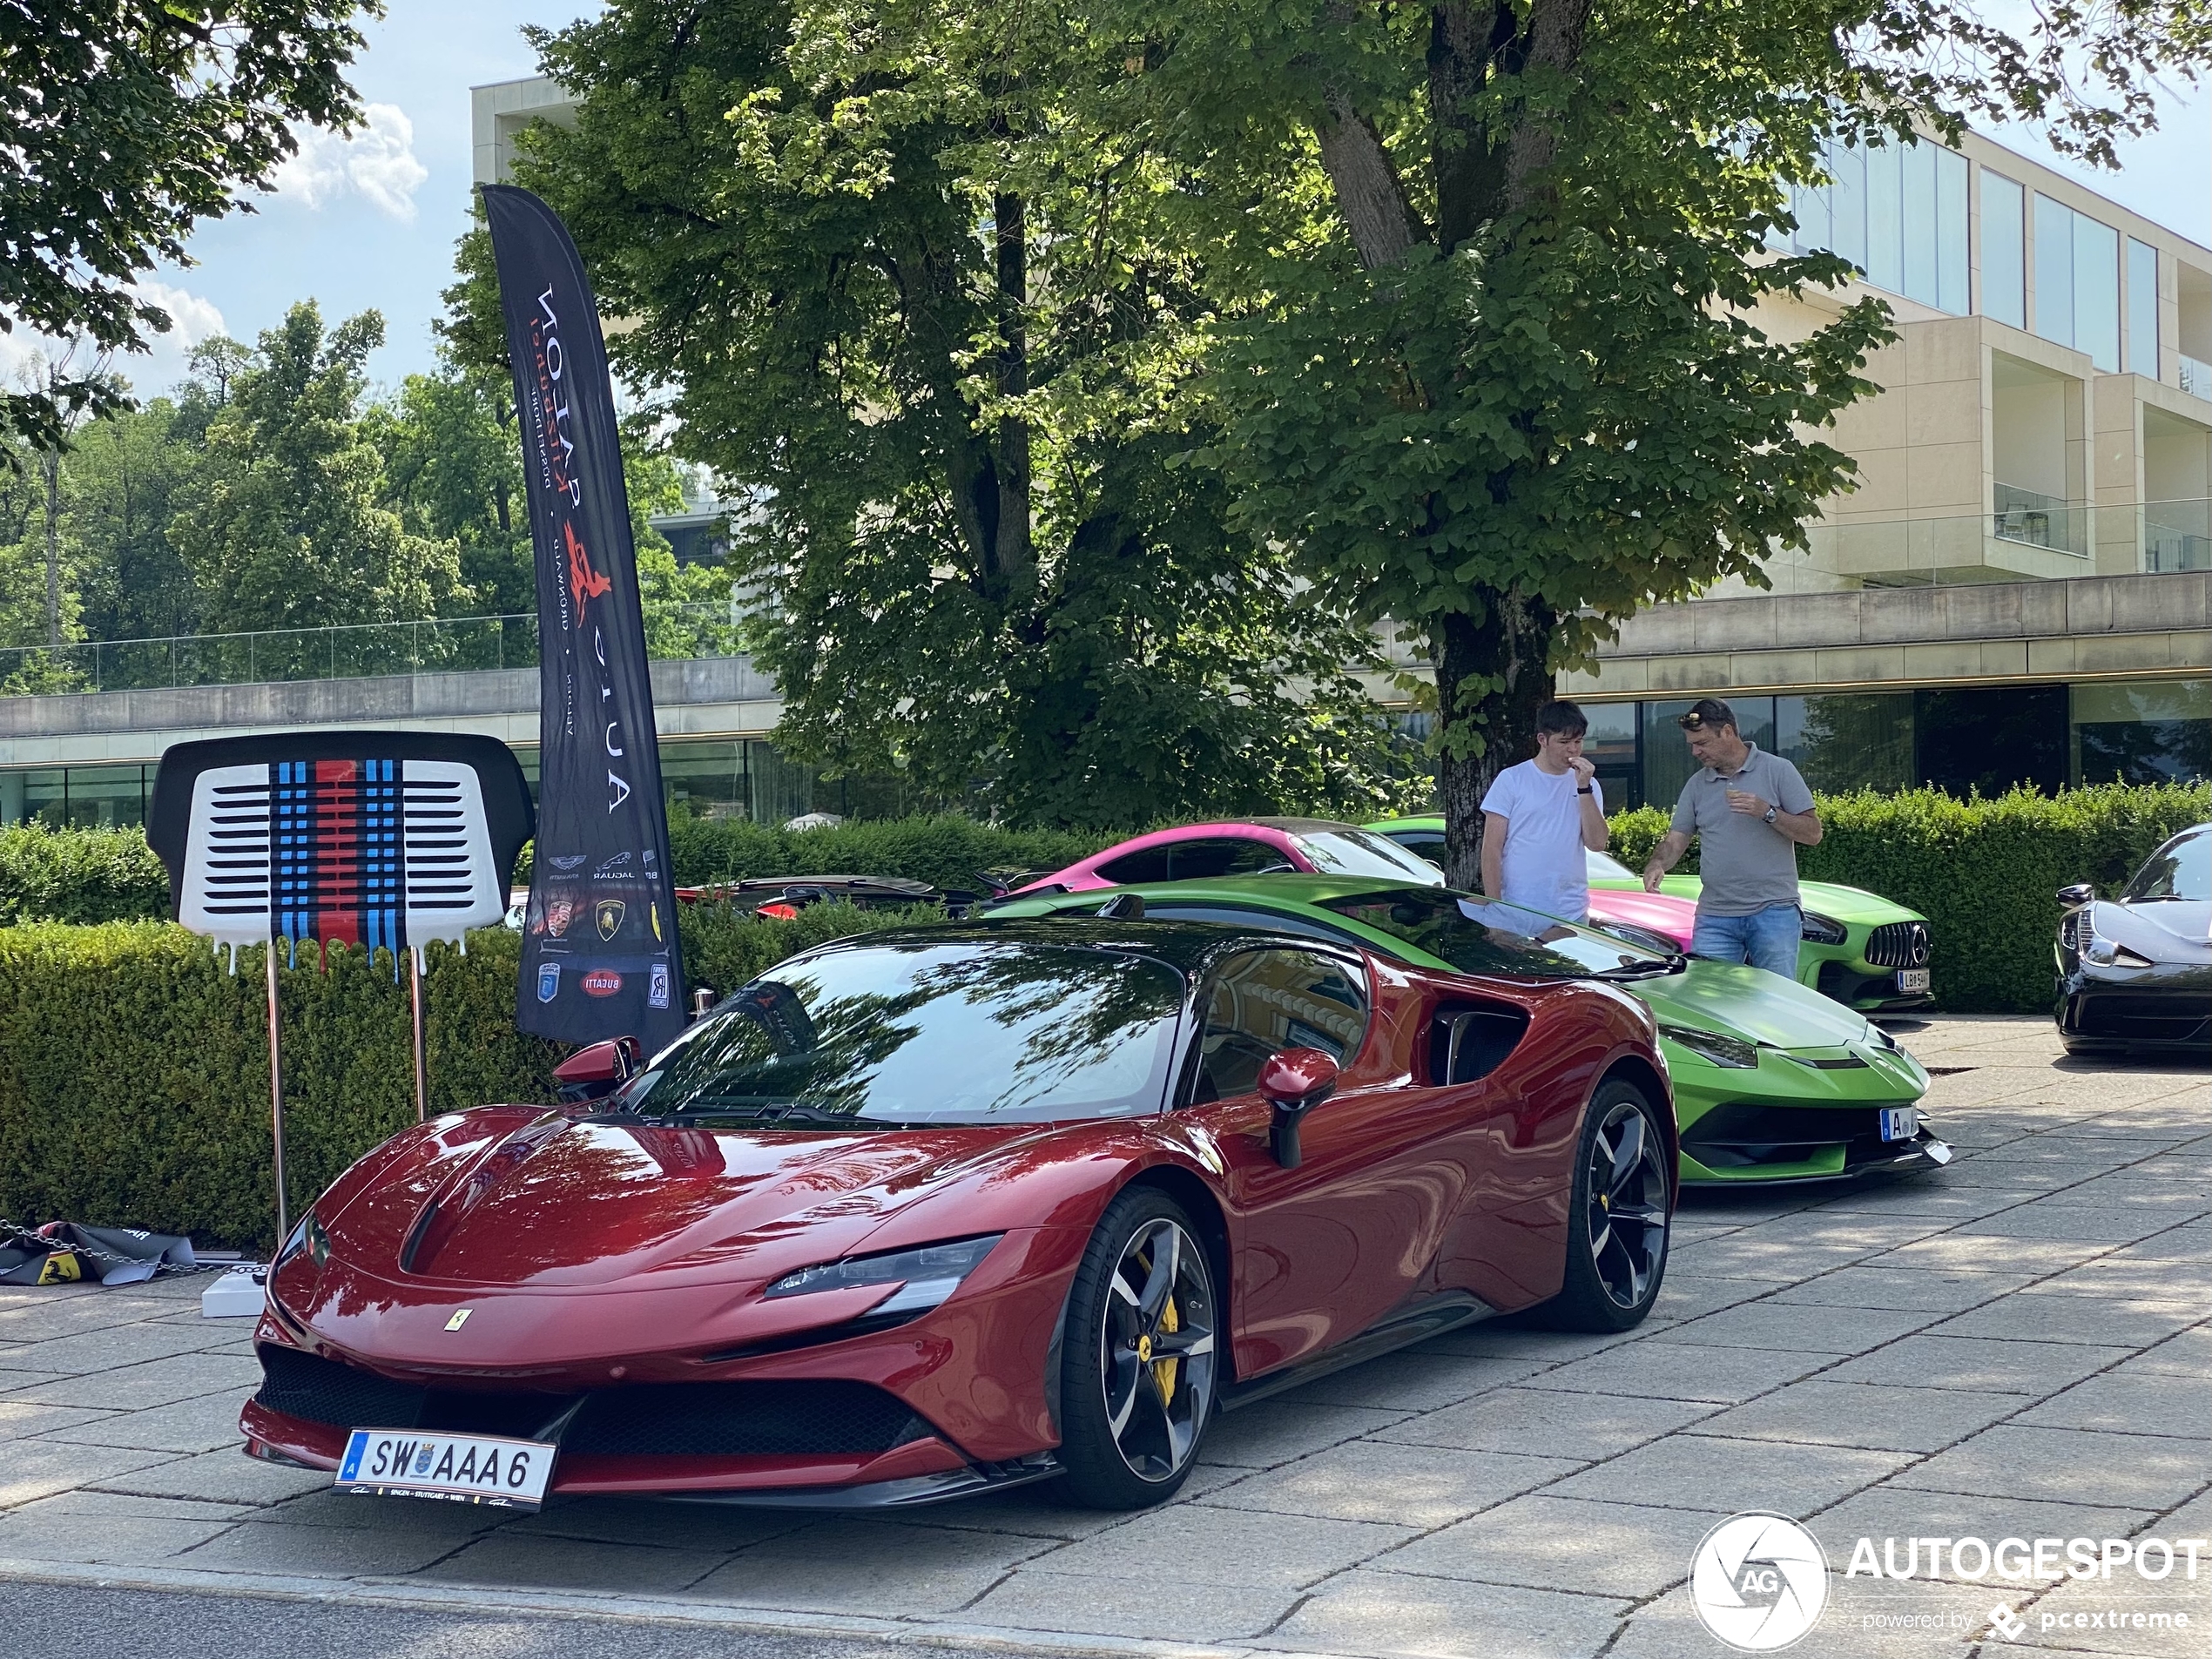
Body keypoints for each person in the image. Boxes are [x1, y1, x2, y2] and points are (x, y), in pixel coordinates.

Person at [1642, 697, 1821, 978]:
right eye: (1691, 744)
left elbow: (1813, 833)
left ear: (1727, 732)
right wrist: (1657, 864)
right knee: (1709, 1000)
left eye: (1702, 743)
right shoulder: (1697, 785)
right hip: (1715, 914)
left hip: (1774, 910)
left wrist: (1768, 812)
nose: (1695, 752)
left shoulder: (1778, 770)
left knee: (1778, 999)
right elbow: (1676, 839)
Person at [1479, 699, 1610, 925]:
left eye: (1578, 741)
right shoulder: (1512, 779)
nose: (1573, 749)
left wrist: (1584, 788)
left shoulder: (1588, 784)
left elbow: (1597, 843)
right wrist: (1497, 907)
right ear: (1543, 740)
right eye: (1564, 741)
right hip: (1519, 907)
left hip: (1572, 910)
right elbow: (1491, 848)